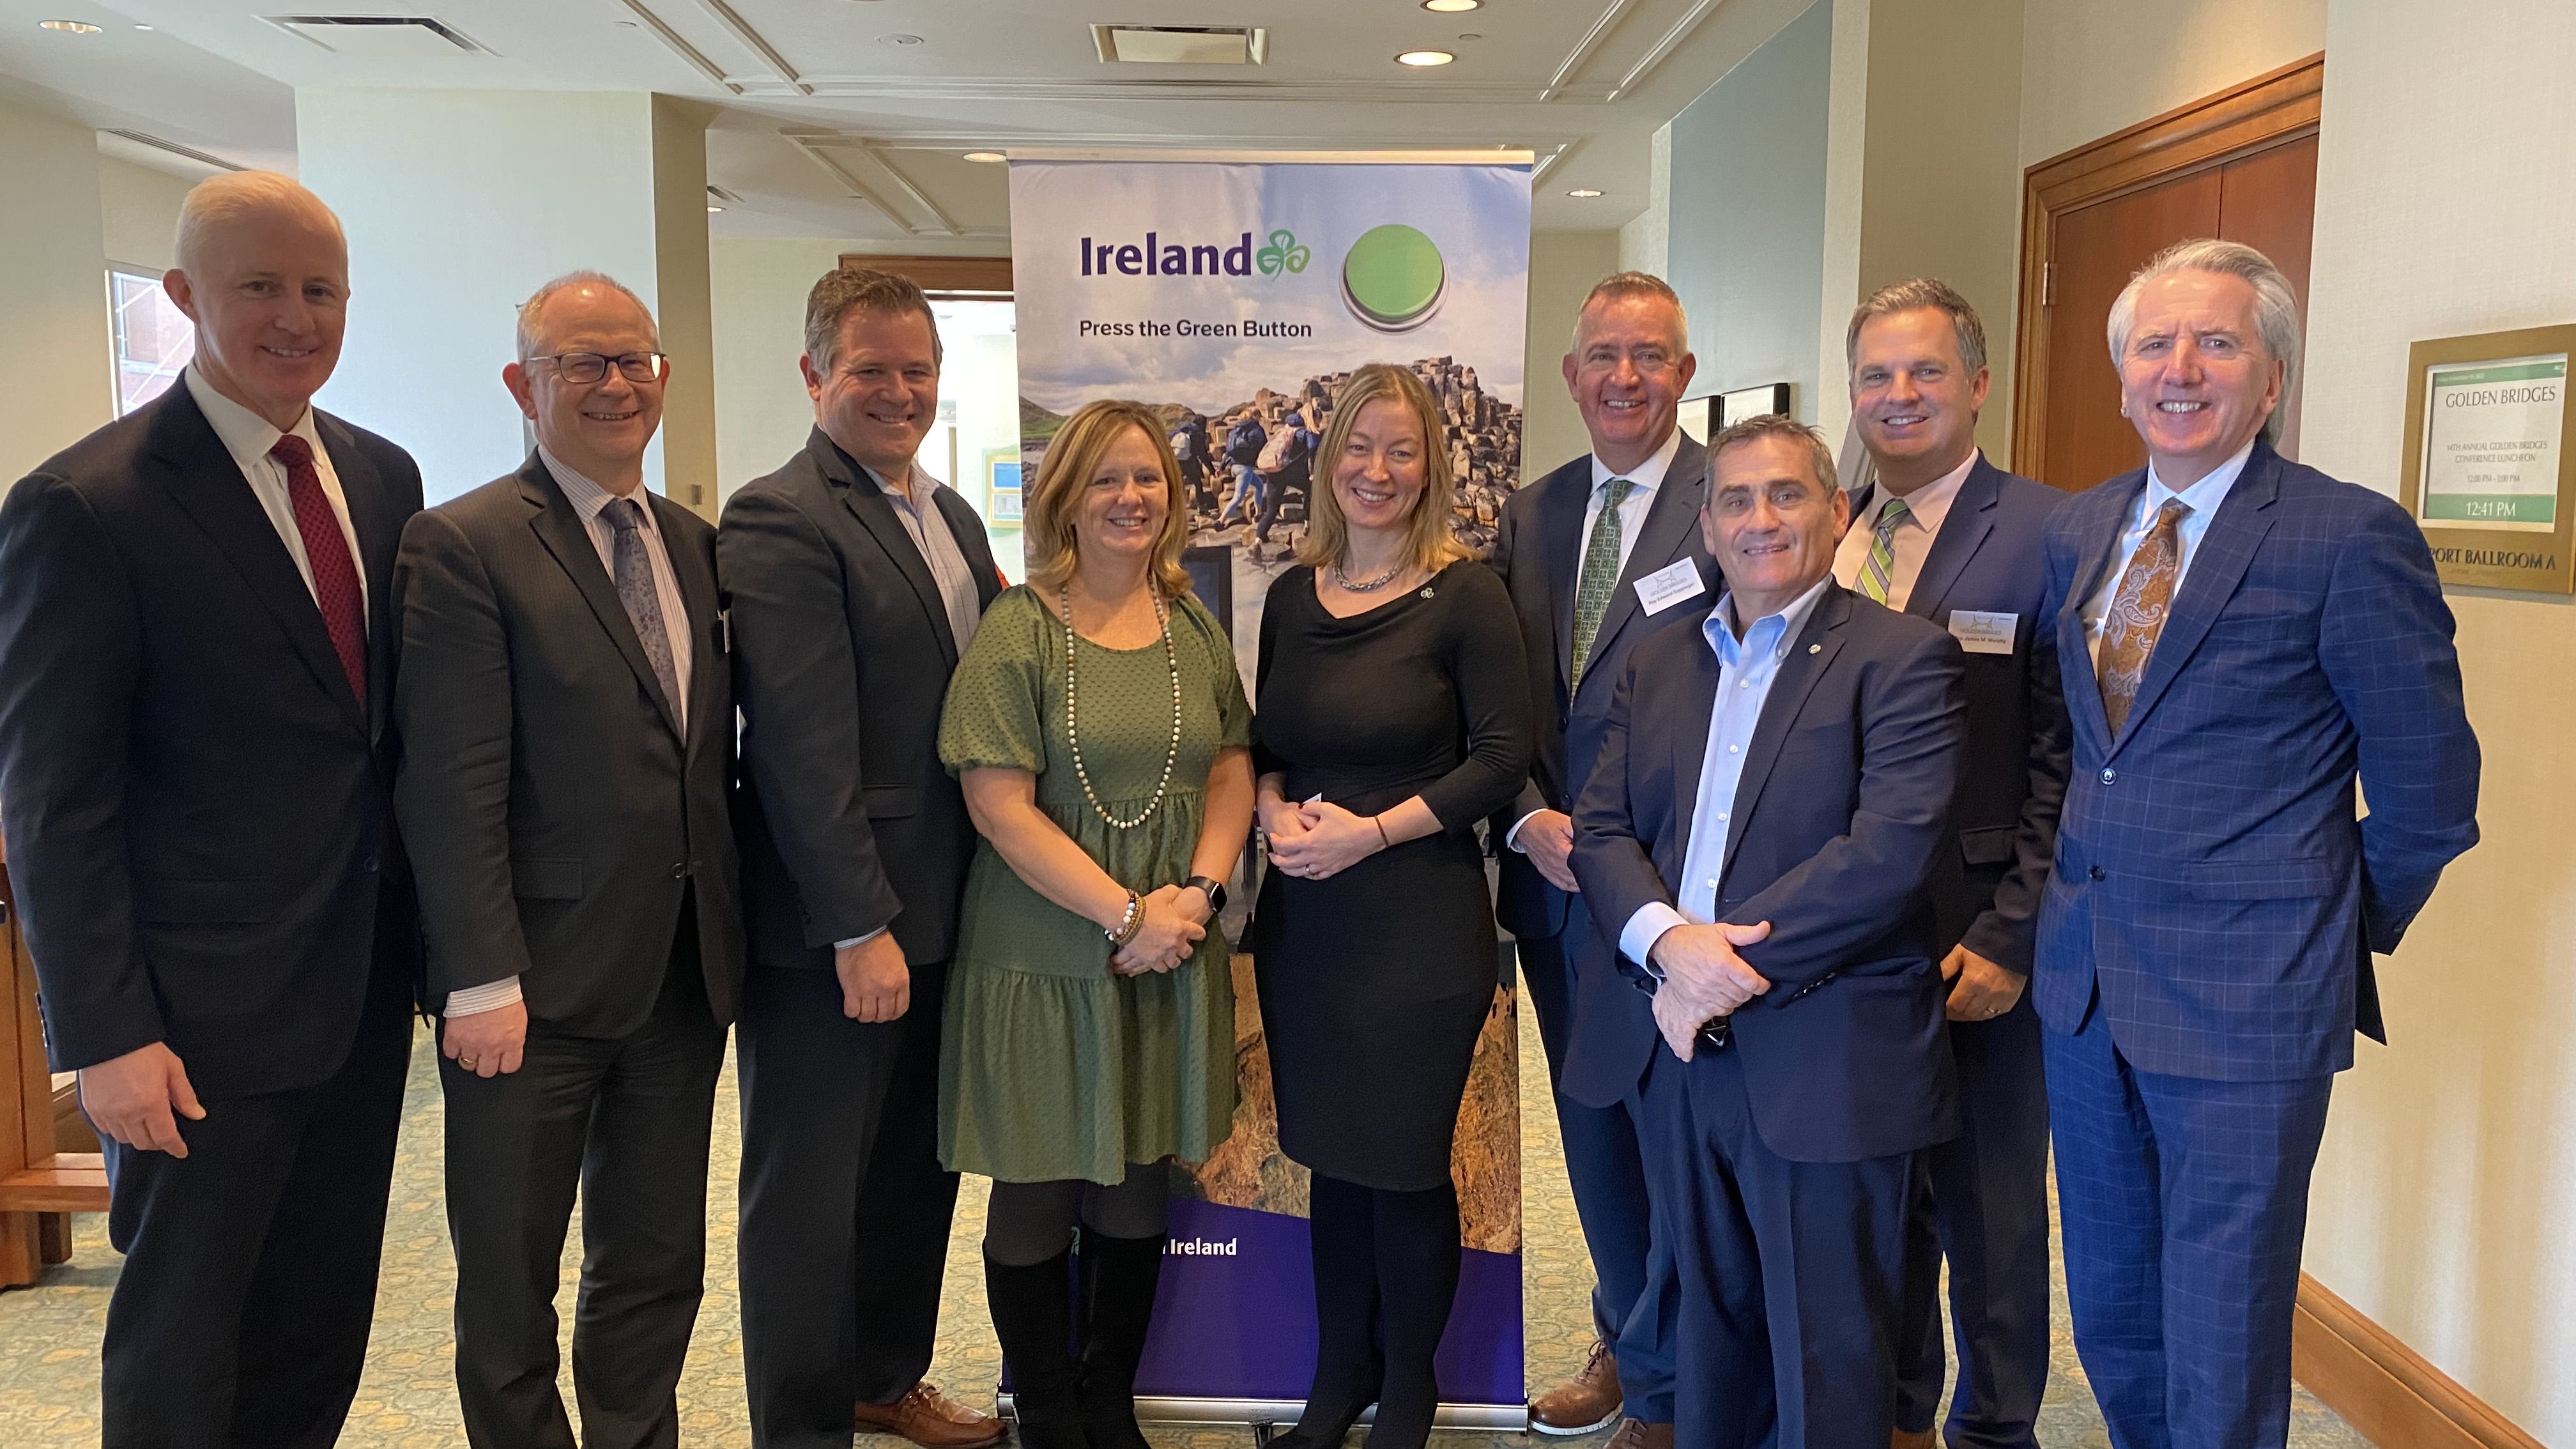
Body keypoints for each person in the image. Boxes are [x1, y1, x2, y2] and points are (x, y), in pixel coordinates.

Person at [2035, 239, 2480, 1449]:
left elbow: (2434, 798)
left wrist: (2314, 926)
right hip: (2081, 990)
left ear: (2270, 378)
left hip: (2247, 1004)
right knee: (2114, 1312)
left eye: (2215, 342)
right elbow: (2078, 753)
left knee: (2222, 1327)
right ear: (2123, 377)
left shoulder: (2345, 539)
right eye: (2153, 344)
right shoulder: (2079, 531)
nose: (2180, 368)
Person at [0, 172, 418, 1449]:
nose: (297, 317)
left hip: (356, 990)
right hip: (190, 1024)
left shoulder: (381, 475)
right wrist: (105, 1035)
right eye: (259, 288)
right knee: (186, 1331)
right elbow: (53, 800)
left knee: (319, 1311)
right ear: (183, 297)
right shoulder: (88, 503)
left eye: (319, 291)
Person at [392, 272, 742, 1448]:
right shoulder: (463, 543)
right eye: (580, 362)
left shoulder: (697, 544)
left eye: (631, 359)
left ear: (663, 377)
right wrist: (480, 974)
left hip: (682, 977)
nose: (612, 383)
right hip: (527, 991)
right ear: (521, 385)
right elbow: (450, 780)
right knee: (510, 1281)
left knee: (653, 1263)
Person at [1572, 414, 1967, 1449]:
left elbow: (1889, 854)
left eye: (1787, 494)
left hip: (1825, 1047)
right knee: (1710, 1342)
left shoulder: (1903, 657)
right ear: (1704, 523)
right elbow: (1603, 829)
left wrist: (1719, 965)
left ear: (1837, 511)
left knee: (1831, 1361)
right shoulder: (1656, 662)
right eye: (1736, 499)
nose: (1760, 520)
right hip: (1678, 1046)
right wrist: (1667, 943)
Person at [720, 266, 1009, 1449]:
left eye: (917, 372)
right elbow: (798, 741)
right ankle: (801, 1424)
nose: (898, 393)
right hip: (841, 925)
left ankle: (883, 1372)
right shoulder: (780, 515)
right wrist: (856, 921)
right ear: (813, 375)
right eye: (870, 370)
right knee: (807, 1190)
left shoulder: (946, 515)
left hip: (948, 907)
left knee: (908, 1168)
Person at [936, 399, 1257, 1449]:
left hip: (1169, 945)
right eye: (1107, 479)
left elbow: (1229, 770)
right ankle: (1045, 1407)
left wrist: (1195, 903)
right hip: (1044, 953)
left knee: (1132, 1180)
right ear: (1065, 497)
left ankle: (1106, 1401)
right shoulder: (1016, 630)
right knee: (1036, 1187)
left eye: (1148, 479)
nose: (1130, 497)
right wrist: (1126, 912)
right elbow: (998, 805)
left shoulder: (1193, 626)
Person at [1250, 362, 1535, 1449]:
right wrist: (1273, 811)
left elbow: (1501, 758)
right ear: (1330, 462)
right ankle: (1336, 1385)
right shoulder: (1290, 594)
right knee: (1334, 1155)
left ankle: (1405, 1398)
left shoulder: (1466, 595)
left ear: (1432, 467)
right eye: (1359, 447)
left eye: (1401, 449)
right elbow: (1268, 740)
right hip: (1307, 928)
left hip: (1416, 923)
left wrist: (1369, 831)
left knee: (1406, 1160)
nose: (1377, 469)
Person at [1834, 279, 2069, 1449]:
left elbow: (2068, 757)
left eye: (1924, 371)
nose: (1898, 395)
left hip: (1974, 933)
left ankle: (1994, 1426)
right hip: (1845, 939)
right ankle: (1898, 1417)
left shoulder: (2051, 531)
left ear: (1979, 384)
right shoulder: (1826, 527)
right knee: (1877, 1199)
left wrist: (2014, 931)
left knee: (1986, 1210)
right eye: (1875, 374)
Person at [1490, 271, 1717, 1448]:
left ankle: (1682, 1381)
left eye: (1649, 355)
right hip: (1552, 880)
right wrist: (1527, 814)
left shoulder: (1731, 502)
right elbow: (1503, 701)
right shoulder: (1528, 514)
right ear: (1572, 375)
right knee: (1592, 1130)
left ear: (1683, 372)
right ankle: (1628, 1342)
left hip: (1678, 893)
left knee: (1678, 1133)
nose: (1623, 377)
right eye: (1602, 357)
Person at [1252, 407, 1321, 549]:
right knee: (1311, 490)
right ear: (1313, 419)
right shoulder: (1306, 433)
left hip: (1274, 472)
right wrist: (1313, 473)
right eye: (1318, 422)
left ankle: (1258, 540)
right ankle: (1308, 524)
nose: (1319, 425)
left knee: (1272, 510)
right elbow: (1313, 450)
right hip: (1291, 473)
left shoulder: (1287, 429)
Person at [1217, 409, 1269, 528]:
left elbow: (1228, 452)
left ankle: (1258, 513)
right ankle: (1221, 520)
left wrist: (1222, 467)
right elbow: (1265, 447)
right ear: (1256, 417)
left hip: (1234, 467)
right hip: (1245, 468)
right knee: (1238, 496)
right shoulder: (1257, 430)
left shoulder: (1235, 431)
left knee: (1259, 485)